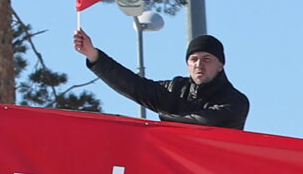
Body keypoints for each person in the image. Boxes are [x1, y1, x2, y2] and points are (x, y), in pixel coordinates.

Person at [72, 29, 249, 129]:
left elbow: (207, 121)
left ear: (221, 65)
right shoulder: (175, 89)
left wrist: (164, 118)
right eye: (193, 59)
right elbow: (135, 86)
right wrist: (94, 56)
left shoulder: (236, 101)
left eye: (207, 59)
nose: (199, 65)